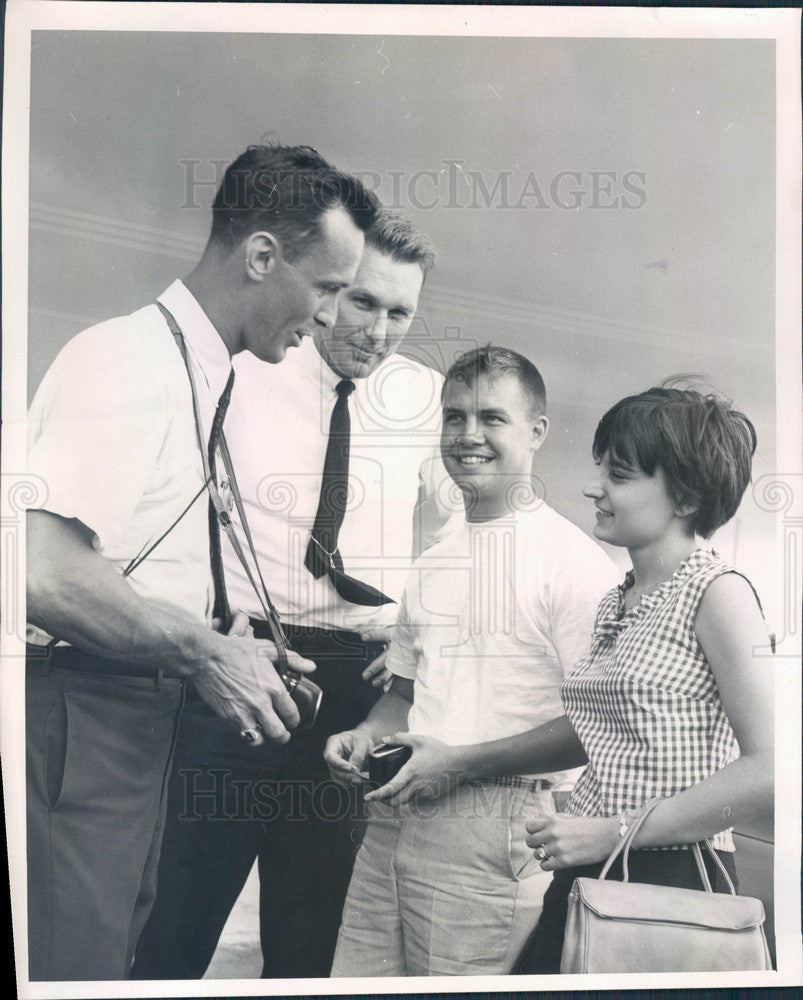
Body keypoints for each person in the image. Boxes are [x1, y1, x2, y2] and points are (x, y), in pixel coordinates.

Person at [25, 144, 378, 981]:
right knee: (72, 969)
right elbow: (43, 572)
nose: (330, 318)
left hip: (134, 725)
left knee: (109, 961)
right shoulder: (127, 360)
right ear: (261, 256)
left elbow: (133, 566)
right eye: (326, 287)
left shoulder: (198, 374)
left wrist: (226, 645)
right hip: (83, 717)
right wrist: (205, 652)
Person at [131, 210, 454, 979]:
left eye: (399, 313)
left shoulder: (430, 397)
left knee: (314, 935)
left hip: (358, 688)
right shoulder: (243, 370)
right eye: (363, 302)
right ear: (329, 289)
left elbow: (464, 534)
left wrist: (413, 647)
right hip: (243, 668)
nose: (378, 330)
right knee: (176, 914)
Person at [325, 346, 619, 976]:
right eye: (454, 417)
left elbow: (596, 730)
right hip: (394, 817)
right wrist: (363, 735)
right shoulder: (433, 561)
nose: (467, 436)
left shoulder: (578, 566)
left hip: (498, 825)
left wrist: (457, 765)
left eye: (492, 418)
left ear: (536, 432)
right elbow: (403, 694)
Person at [512, 384, 774, 972]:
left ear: (684, 496)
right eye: (600, 468)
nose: (594, 487)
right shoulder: (617, 599)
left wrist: (614, 831)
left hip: (673, 878)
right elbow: (603, 734)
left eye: (620, 475)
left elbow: (773, 767)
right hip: (589, 862)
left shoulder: (719, 594)